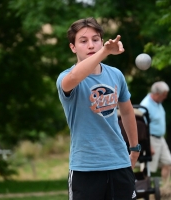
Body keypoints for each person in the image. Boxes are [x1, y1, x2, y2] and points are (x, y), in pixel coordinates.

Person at [56, 17, 140, 200]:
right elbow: (75, 76)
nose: (91, 45)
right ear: (73, 47)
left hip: (119, 164)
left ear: (102, 41)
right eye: (83, 41)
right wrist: (104, 52)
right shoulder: (66, 78)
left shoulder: (116, 75)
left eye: (95, 40)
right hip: (85, 168)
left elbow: (126, 111)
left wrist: (135, 148)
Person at [140, 81, 171, 185]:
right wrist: (148, 145)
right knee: (148, 167)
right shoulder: (145, 105)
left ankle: (166, 188)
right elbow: (142, 128)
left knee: (168, 162)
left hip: (160, 138)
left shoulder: (158, 103)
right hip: (151, 138)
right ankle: (143, 190)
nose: (165, 98)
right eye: (164, 95)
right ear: (157, 94)